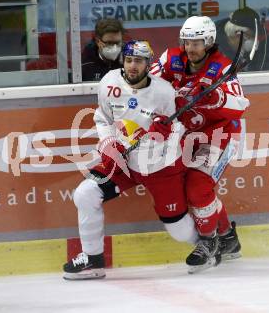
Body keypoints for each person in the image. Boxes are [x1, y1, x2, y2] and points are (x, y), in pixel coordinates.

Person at [63, 40, 199, 279]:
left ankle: (209, 240)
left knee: (178, 230)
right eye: (129, 60)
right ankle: (93, 260)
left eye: (138, 61)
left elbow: (179, 125)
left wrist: (165, 134)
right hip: (123, 162)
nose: (133, 66)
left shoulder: (164, 91)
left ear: (148, 64)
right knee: (85, 194)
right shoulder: (109, 83)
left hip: (159, 165)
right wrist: (107, 144)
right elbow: (103, 119)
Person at [150, 16, 249, 272]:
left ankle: (210, 242)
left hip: (219, 136)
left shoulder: (223, 69)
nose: (190, 48)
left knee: (198, 189)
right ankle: (228, 238)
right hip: (186, 135)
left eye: (197, 43)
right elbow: (147, 87)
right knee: (187, 187)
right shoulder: (170, 59)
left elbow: (240, 105)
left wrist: (217, 99)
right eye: (187, 42)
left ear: (209, 42)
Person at [215, 6, 265, 71]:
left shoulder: (247, 53)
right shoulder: (215, 54)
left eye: (254, 36)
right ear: (237, 34)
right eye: (250, 36)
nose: (253, 41)